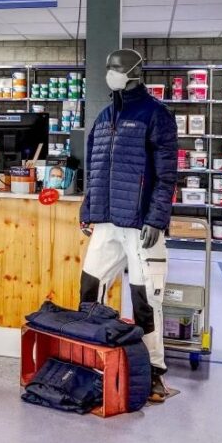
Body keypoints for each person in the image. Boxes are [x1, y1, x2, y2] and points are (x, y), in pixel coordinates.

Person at [79, 48, 177, 403]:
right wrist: (88, 207)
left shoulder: (156, 115)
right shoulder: (105, 117)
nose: (111, 73)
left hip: (141, 225)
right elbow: (95, 169)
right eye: (108, 67)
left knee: (145, 300)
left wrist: (156, 218)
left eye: (117, 68)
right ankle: (93, 356)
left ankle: (153, 371)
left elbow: (167, 175)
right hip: (106, 222)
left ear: (136, 71)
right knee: (90, 288)